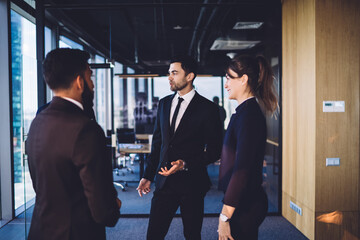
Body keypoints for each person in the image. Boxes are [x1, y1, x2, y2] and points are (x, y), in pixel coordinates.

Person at [26, 48, 121, 240]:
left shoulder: (38, 121)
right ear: (79, 82)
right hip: (75, 233)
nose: (92, 85)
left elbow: (42, 185)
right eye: (89, 77)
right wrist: (114, 206)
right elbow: (103, 212)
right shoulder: (86, 129)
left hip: (41, 231)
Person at [136, 55, 223, 240]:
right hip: (164, 183)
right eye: (169, 73)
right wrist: (147, 175)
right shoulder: (164, 103)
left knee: (192, 235)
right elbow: (158, 144)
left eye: (174, 73)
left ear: (189, 76)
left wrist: (186, 163)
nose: (169, 77)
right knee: (153, 235)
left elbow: (215, 150)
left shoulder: (208, 109)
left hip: (192, 184)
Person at [218, 54, 278, 240]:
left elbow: (242, 170)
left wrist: (224, 216)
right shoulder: (243, 112)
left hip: (245, 204)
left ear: (243, 79)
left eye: (228, 78)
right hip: (242, 201)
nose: (225, 84)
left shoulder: (249, 116)